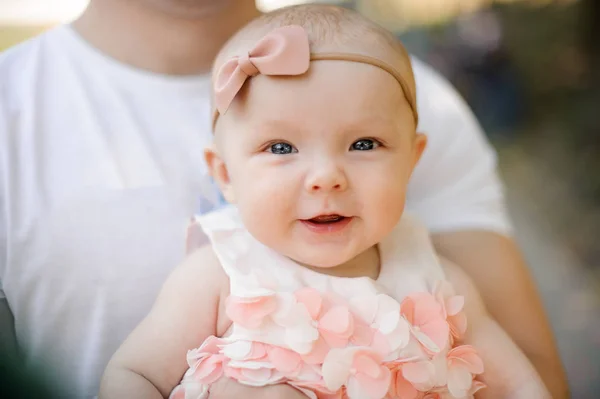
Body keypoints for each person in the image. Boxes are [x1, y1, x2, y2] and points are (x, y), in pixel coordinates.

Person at [0, 0, 566, 397]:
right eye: (280, 147)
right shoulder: (224, 272)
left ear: (413, 160)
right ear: (223, 173)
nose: (325, 177)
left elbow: (520, 382)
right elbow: (135, 374)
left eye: (363, 144)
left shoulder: (436, 279)